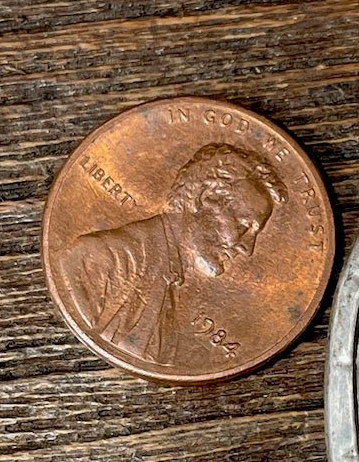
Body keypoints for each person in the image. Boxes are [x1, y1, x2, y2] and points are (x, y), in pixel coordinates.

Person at [61, 142, 287, 366]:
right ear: (204, 197)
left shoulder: (170, 282)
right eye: (243, 224)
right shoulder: (98, 259)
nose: (247, 248)